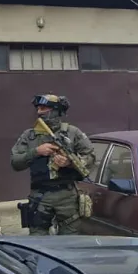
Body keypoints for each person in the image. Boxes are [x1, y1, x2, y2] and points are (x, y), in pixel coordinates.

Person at [10, 94, 96, 235]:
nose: (39, 112)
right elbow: (15, 162)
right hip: (40, 197)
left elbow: (91, 157)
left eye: (43, 108)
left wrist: (69, 163)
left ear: (56, 110)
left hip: (67, 197)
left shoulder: (73, 133)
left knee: (71, 242)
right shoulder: (29, 135)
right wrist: (36, 152)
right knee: (38, 242)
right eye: (38, 109)